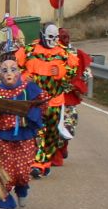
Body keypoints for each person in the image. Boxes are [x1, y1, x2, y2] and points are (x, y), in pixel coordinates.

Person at [0, 55, 44, 209]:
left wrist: (33, 115)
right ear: (0, 74)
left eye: (13, 69)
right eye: (4, 70)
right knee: (3, 169)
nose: (9, 73)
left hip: (25, 137)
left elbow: (42, 104)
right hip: (2, 138)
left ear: (19, 72)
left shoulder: (29, 89)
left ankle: (22, 188)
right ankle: (4, 200)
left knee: (22, 171)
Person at [22, 22, 78, 174]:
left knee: (52, 133)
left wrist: (61, 71)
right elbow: (18, 66)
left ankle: (45, 161)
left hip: (55, 100)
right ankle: (37, 162)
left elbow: (72, 72)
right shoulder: (30, 50)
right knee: (38, 129)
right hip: (36, 100)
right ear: (42, 35)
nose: (53, 40)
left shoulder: (63, 52)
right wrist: (26, 77)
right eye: (50, 37)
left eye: (55, 37)